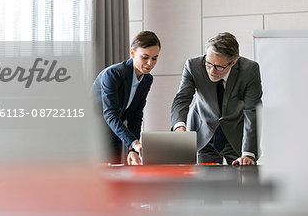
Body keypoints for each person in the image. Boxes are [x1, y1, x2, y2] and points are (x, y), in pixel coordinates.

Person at [171, 32, 262, 165]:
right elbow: (182, 99)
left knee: (242, 180)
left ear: (233, 62)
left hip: (236, 136)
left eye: (219, 67)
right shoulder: (193, 66)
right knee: (203, 182)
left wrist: (248, 153)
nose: (212, 71)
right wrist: (179, 127)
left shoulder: (249, 70)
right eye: (208, 63)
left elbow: (252, 110)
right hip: (203, 134)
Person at [92, 31, 161, 165]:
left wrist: (132, 150)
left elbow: (135, 116)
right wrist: (133, 142)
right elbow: (110, 114)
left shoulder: (147, 80)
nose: (150, 63)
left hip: (114, 134)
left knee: (115, 178)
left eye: (154, 58)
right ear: (133, 53)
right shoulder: (112, 74)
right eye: (145, 57)